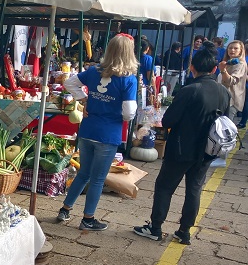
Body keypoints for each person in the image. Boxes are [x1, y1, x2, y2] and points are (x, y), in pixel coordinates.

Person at [134, 47, 230, 245]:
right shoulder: (223, 92)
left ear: (192, 67)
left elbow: (168, 120)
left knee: (165, 186)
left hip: (181, 148)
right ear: (214, 70)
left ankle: (155, 227)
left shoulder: (189, 90)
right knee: (194, 189)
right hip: (207, 151)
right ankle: (184, 231)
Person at [57, 33, 138, 230]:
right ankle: (88, 219)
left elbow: (69, 83)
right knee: (98, 179)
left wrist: (84, 99)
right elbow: (129, 113)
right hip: (108, 134)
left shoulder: (94, 71)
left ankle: (65, 209)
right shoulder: (128, 80)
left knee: (83, 173)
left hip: (87, 129)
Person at [218, 40, 247, 120]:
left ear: (241, 51)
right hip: (221, 99)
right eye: (230, 48)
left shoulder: (240, 64)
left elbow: (231, 81)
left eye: (235, 48)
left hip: (231, 101)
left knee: (224, 127)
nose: (232, 50)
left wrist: (223, 70)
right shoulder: (227, 63)